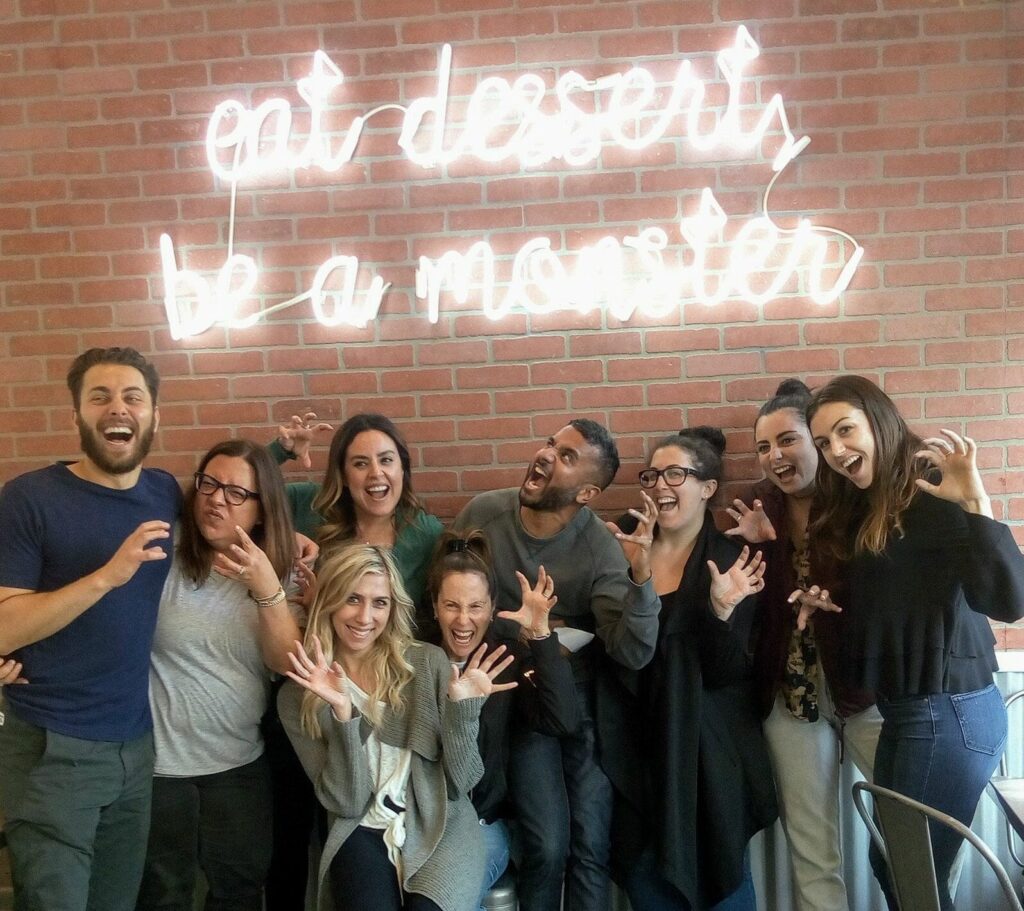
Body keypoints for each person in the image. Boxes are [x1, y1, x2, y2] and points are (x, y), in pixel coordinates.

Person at [802, 374, 1024, 911]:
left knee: (912, 872)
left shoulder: (932, 486)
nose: (835, 450)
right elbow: (904, 599)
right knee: (900, 868)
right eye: (823, 443)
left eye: (845, 430)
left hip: (948, 712)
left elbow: (1009, 601)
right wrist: (831, 605)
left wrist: (973, 500)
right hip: (909, 712)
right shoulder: (866, 508)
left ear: (879, 421)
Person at [453, 419, 660, 911]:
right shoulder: (484, 513)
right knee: (547, 846)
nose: (547, 456)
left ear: (586, 493)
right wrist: (524, 632)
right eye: (551, 444)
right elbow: (451, 597)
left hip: (579, 696)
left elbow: (633, 649)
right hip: (513, 699)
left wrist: (641, 575)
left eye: (566, 457)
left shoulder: (598, 548)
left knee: (590, 847)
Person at [0, 346, 179, 911]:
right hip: (51, 747)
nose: (116, 409)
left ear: (154, 415)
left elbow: (237, 499)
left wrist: (295, 529)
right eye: (99, 396)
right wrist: (107, 576)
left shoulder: (164, 491)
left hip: (134, 747)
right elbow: (4, 627)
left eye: (132, 397)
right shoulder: (30, 498)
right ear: (76, 414)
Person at [268, 412, 443, 910]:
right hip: (307, 693)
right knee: (293, 832)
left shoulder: (424, 532)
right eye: (359, 463)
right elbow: (243, 488)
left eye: (386, 461)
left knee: (357, 823)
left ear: (403, 468)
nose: (375, 475)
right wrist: (279, 452)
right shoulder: (307, 510)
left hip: (381, 697)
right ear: (342, 474)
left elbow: (426, 619)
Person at [601, 427, 777, 911]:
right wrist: (635, 577)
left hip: (710, 755)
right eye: (653, 474)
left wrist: (719, 615)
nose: (660, 485)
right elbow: (610, 651)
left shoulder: (729, 557)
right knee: (645, 877)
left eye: (676, 473)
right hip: (636, 747)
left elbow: (728, 673)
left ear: (707, 488)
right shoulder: (622, 546)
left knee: (721, 878)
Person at [278, 544, 509, 911]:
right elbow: (348, 802)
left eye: (380, 602)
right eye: (352, 598)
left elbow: (460, 783)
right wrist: (342, 714)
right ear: (330, 600)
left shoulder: (425, 663)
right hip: (360, 828)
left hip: (439, 822)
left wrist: (463, 711)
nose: (365, 616)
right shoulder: (298, 697)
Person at [725, 380, 881, 911]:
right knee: (812, 852)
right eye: (764, 447)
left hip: (868, 692)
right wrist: (762, 547)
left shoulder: (863, 499)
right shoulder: (757, 510)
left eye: (787, 440)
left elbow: (891, 592)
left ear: (817, 442)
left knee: (913, 829)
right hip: (791, 700)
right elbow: (756, 616)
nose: (774, 456)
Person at [136, 440, 305, 911]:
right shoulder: (161, 550)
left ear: (261, 510)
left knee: (240, 893)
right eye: (209, 484)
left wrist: (267, 587)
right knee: (162, 897)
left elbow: (286, 662)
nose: (216, 499)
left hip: (238, 765)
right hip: (161, 767)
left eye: (235, 493)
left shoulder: (283, 570)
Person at [425, 530, 580, 907]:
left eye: (476, 606)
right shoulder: (419, 656)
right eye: (452, 606)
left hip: (481, 820)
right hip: (425, 818)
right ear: (433, 606)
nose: (464, 620)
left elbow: (562, 720)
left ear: (493, 608)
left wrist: (541, 636)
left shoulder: (507, 657)